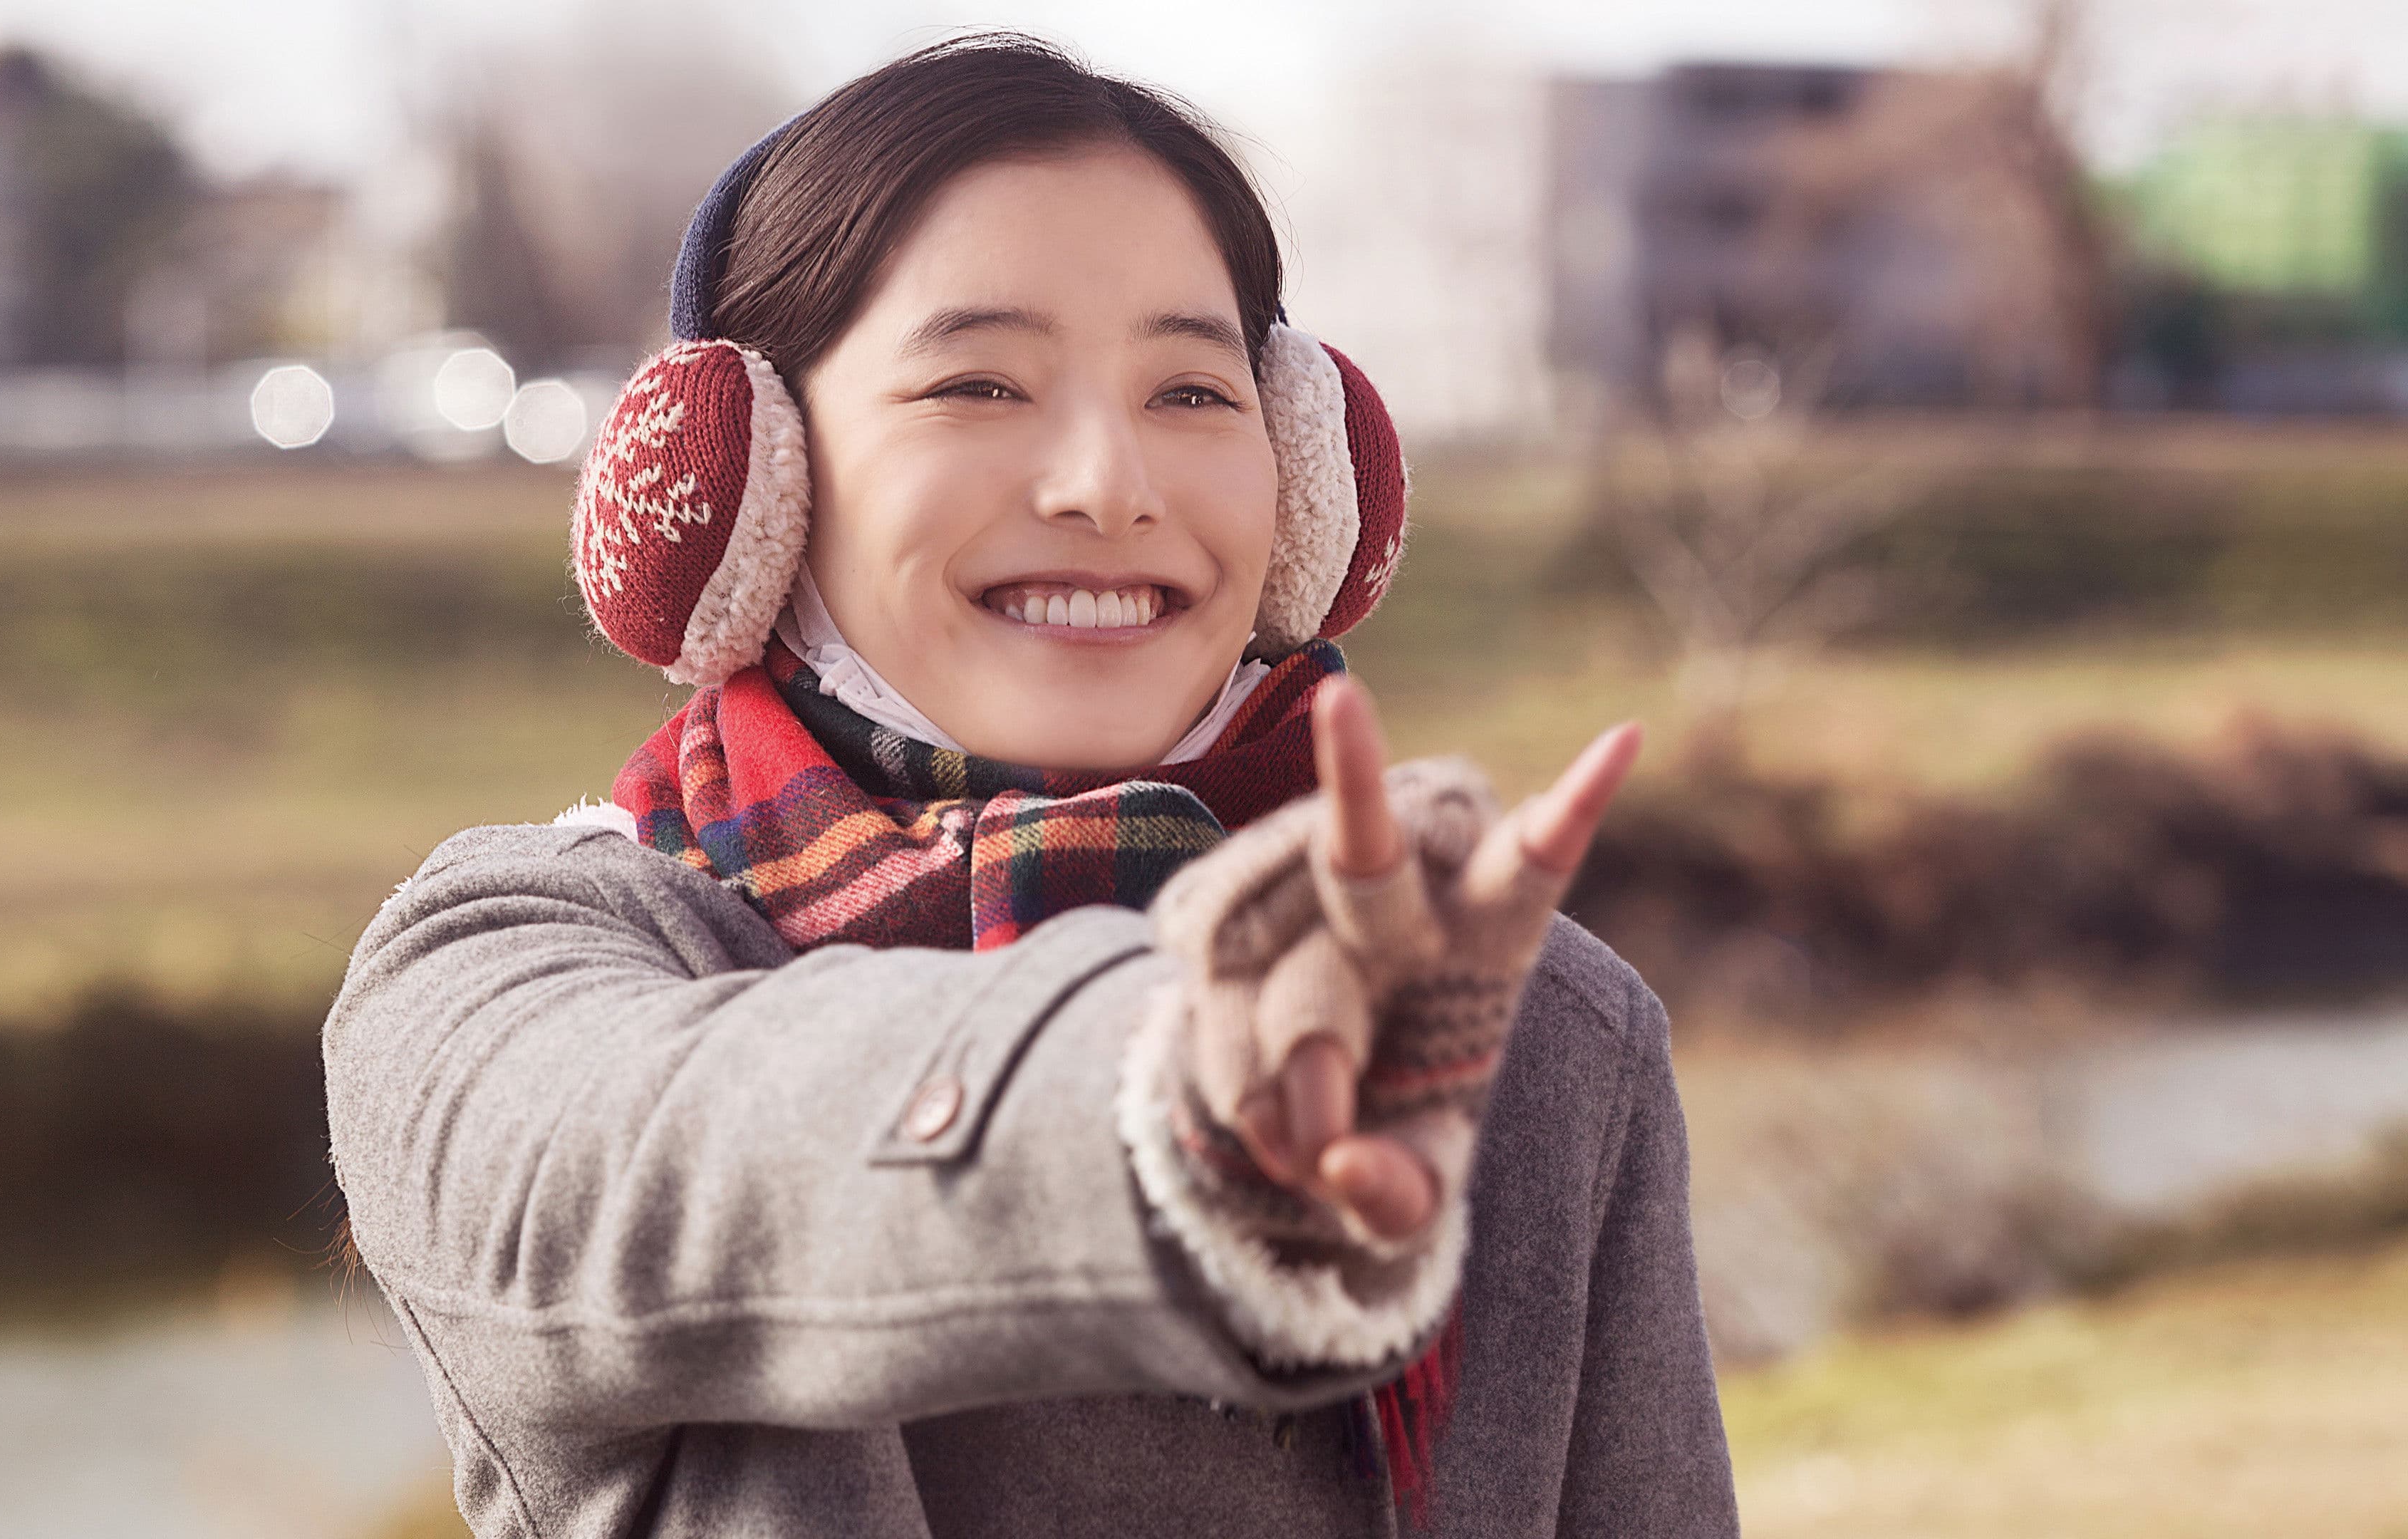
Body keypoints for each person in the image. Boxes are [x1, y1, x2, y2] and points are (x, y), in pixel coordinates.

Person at [324, 35, 1737, 1538]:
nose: (1107, 484)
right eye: (981, 382)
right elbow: (670, 1157)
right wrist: (1185, 1094)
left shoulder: (1530, 1033)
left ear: (1315, 481)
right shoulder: (497, 970)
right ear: (756, 483)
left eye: (1192, 392)